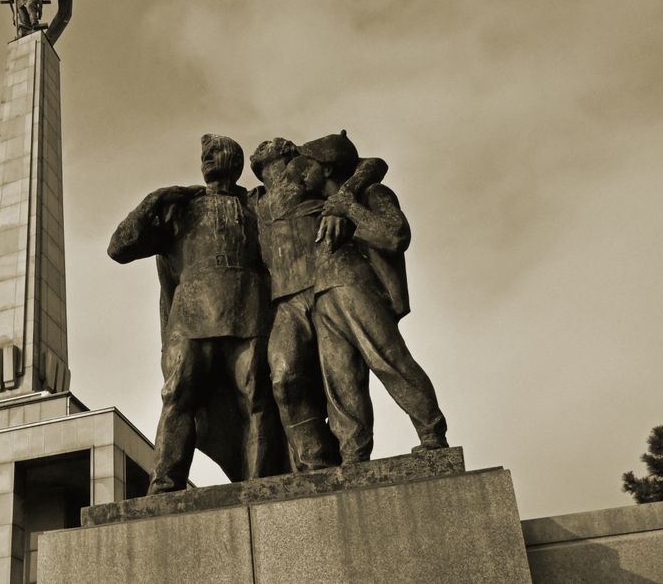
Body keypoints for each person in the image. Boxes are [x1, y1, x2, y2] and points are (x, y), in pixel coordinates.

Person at [108, 134, 287, 493]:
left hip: (248, 314)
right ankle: (165, 482)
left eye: (215, 151)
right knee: (178, 396)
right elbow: (119, 247)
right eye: (203, 154)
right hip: (191, 319)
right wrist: (154, 200)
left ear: (235, 161)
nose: (206, 156)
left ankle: (258, 482)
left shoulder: (256, 203)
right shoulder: (181, 206)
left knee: (256, 398)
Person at [301, 131, 448, 463]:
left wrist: (350, 206)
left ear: (326, 168)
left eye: (308, 164)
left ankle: (432, 432)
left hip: (357, 284)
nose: (301, 172)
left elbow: (395, 235)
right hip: (323, 293)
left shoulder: (371, 193)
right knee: (340, 380)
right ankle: (352, 454)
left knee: (388, 360)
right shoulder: (319, 207)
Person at [249, 137, 386, 469]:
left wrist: (341, 200)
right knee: (283, 377)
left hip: (329, 284)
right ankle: (317, 462)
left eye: (278, 158)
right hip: (286, 300)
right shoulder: (252, 200)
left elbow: (373, 164)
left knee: (344, 375)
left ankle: (354, 454)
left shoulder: (307, 175)